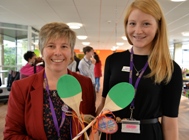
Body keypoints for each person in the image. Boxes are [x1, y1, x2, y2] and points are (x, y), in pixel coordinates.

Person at [96, 0, 183, 140]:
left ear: (158, 27)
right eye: (132, 23)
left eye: (146, 23)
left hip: (148, 135)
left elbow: (170, 121)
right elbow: (104, 104)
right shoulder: (113, 61)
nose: (137, 30)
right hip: (113, 134)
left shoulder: (170, 68)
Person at [3, 22, 96, 140]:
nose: (57, 52)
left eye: (64, 46)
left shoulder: (84, 84)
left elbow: (89, 126)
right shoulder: (21, 87)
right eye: (51, 46)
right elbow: (11, 135)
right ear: (42, 51)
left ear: (71, 52)